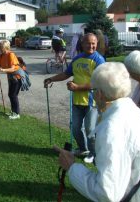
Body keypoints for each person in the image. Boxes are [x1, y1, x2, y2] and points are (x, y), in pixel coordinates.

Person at [57, 62, 140, 201]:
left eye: (93, 90)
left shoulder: (112, 128)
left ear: (99, 94)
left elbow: (107, 193)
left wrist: (72, 167)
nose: (93, 95)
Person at [44, 33, 105, 162]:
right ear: (82, 44)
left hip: (92, 101)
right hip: (77, 100)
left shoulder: (99, 60)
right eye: (88, 43)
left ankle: (94, 154)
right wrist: (51, 79)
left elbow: (98, 82)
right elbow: (66, 74)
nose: (91, 45)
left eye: (93, 43)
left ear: (96, 44)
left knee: (90, 129)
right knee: (75, 128)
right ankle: (83, 148)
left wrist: (77, 87)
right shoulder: (77, 59)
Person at [0, 40, 22, 120]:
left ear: (5, 47)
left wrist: (2, 70)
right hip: (11, 78)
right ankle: (13, 112)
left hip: (17, 77)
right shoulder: (1, 55)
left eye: (1, 47)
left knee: (13, 95)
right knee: (11, 95)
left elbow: (13, 68)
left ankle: (17, 113)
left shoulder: (11, 55)